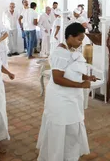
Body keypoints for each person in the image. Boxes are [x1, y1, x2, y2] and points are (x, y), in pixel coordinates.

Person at [37, 23, 98, 161]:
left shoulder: (70, 50)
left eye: (82, 39)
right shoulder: (60, 53)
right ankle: (55, 157)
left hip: (71, 96)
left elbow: (71, 71)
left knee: (72, 128)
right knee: (61, 127)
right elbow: (58, 78)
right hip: (61, 97)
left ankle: (70, 156)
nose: (81, 42)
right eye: (79, 39)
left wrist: (86, 77)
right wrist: (81, 85)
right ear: (70, 36)